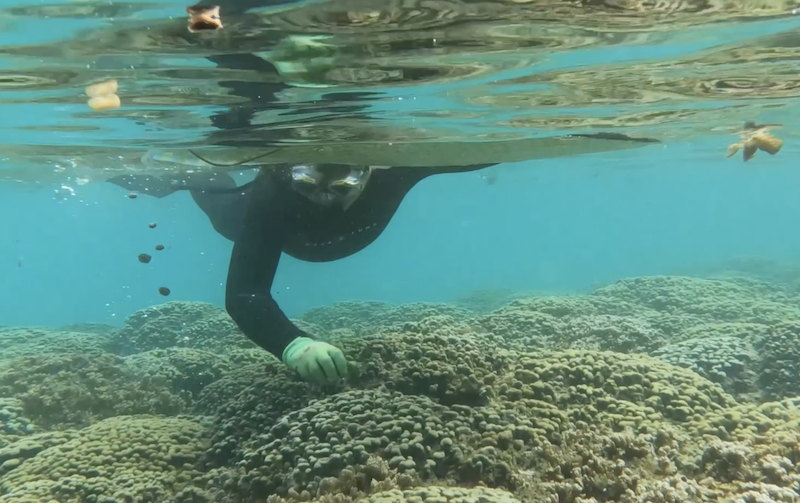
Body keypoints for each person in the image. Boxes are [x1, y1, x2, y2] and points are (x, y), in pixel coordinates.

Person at [108, 162, 497, 385]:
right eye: (308, 184)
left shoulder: (393, 170)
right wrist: (295, 345)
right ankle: (181, 177)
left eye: (342, 186)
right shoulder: (271, 193)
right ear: (287, 173)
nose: (324, 198)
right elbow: (245, 294)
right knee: (215, 191)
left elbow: (479, 151)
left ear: (367, 172)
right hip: (245, 217)